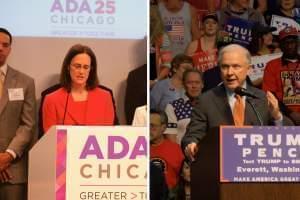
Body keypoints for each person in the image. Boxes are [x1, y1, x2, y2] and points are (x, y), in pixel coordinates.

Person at [181, 44, 293, 199]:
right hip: (220, 181)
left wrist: (277, 117)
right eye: (225, 67)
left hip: (260, 181)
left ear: (248, 68)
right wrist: (190, 145)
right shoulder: (206, 100)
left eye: (236, 66)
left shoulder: (261, 98)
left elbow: (290, 136)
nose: (229, 73)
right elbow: (192, 135)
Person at [42, 44, 114, 132]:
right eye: (77, 66)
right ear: (68, 67)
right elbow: (51, 139)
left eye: (86, 67)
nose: (81, 72)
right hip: (65, 145)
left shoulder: (105, 97)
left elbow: (107, 136)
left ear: (91, 69)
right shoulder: (52, 100)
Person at [0, 27, 36, 199]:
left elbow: (28, 125)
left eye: (5, 45)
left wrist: (8, 156)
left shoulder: (26, 82)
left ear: (9, 49)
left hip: (13, 171)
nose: (0, 48)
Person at [262, 26, 300, 125]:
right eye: (286, 43)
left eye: (292, 42)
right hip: (283, 115)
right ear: (281, 45)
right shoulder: (272, 65)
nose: (290, 46)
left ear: (298, 43)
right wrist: (290, 113)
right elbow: (270, 95)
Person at [150, 109, 184, 199]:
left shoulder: (176, 149)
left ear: (163, 128)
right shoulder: (136, 149)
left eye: (152, 126)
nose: (148, 129)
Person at [165, 69, 203, 144]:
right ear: (183, 84)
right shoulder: (173, 106)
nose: (194, 86)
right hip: (182, 154)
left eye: (197, 82)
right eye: (190, 83)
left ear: (202, 84)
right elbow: (171, 140)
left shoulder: (211, 104)